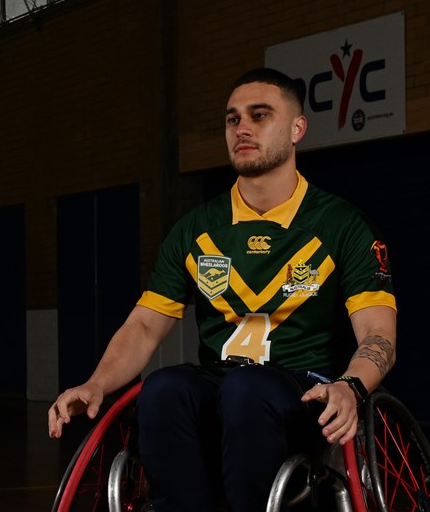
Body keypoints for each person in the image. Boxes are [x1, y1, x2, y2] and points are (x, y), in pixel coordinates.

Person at [47, 67, 398, 512]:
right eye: (232, 119)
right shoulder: (196, 229)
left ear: (297, 129)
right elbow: (143, 326)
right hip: (223, 386)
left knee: (246, 389)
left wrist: (351, 385)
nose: (242, 128)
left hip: (304, 393)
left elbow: (378, 334)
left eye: (259, 115)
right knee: (164, 387)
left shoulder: (342, 225)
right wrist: (97, 383)